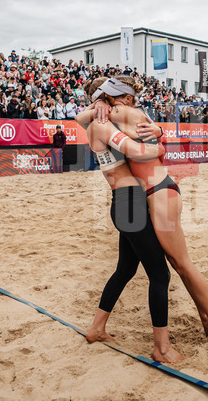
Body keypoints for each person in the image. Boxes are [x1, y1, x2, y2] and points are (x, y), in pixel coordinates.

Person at [81, 76, 208, 346]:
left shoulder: (114, 116)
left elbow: (84, 118)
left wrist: (159, 136)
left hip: (152, 193)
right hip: (139, 197)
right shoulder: (107, 119)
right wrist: (160, 139)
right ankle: (206, 320)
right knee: (164, 266)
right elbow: (132, 147)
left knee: (178, 264)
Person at [79, 86, 184, 364]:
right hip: (130, 205)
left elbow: (81, 117)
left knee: (125, 269)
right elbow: (136, 151)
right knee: (160, 275)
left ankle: (97, 329)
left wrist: (157, 129)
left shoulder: (93, 122)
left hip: (125, 203)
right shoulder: (101, 124)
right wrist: (161, 145)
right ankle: (162, 348)